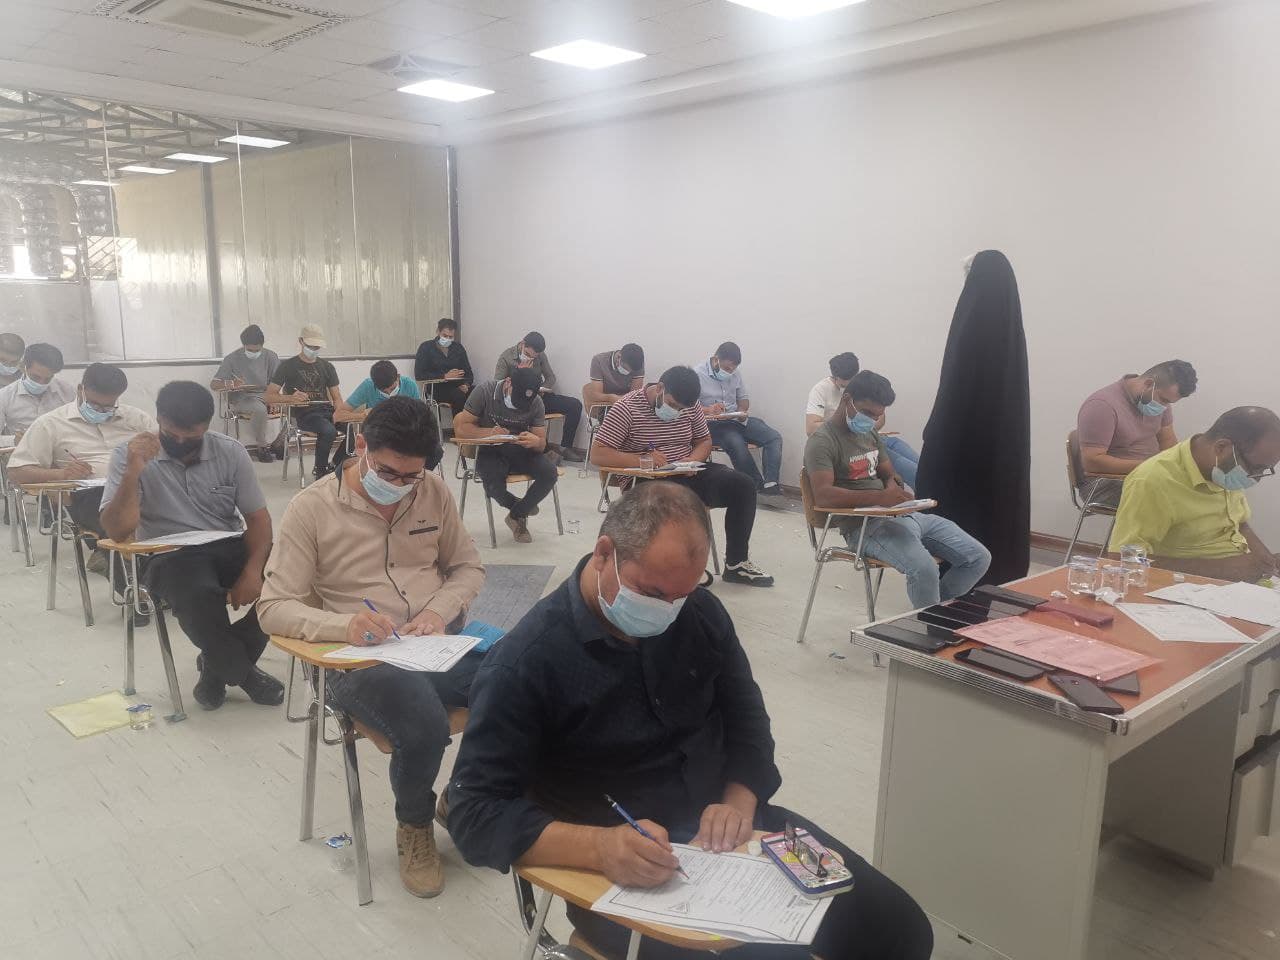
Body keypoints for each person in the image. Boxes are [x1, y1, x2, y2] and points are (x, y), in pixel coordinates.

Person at [444, 482, 933, 960]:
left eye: (682, 594)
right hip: (622, 868)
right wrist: (600, 848)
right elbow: (473, 814)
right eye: (653, 592)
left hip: (732, 833)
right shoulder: (525, 663)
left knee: (900, 933)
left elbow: (747, 719)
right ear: (604, 553)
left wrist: (739, 800)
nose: (667, 611)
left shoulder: (696, 612)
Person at [257, 397, 485, 899]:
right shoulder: (312, 508)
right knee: (423, 721)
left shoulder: (433, 492)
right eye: (388, 472)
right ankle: (415, 825)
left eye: (411, 476)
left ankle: (462, 796)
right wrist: (345, 625)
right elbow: (272, 607)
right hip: (357, 660)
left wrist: (437, 611)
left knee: (519, 684)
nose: (400, 485)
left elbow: (467, 568)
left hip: (430, 642)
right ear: (360, 445)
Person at [99, 381, 280, 710]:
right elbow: (118, 530)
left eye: (191, 436)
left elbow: (258, 519)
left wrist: (253, 572)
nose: (180, 442)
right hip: (169, 554)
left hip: (227, 542)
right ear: (158, 418)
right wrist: (133, 472)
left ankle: (216, 665)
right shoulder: (129, 455)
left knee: (292, 578)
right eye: (171, 433)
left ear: (207, 425)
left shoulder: (230, 451)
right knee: (198, 592)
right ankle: (244, 674)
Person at [805, 371, 990, 609]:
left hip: (902, 516)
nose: (872, 420)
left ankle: (932, 613)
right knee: (924, 569)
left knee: (978, 557)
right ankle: (930, 620)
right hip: (864, 527)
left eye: (878, 415)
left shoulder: (868, 433)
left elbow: (889, 473)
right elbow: (823, 495)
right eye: (867, 413)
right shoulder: (822, 441)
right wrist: (881, 498)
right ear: (847, 399)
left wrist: (895, 489)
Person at [592, 366, 774, 587]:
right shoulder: (626, 407)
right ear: (660, 388)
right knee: (675, 502)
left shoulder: (691, 405)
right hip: (646, 478)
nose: (676, 411)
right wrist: (641, 459)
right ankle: (676, 567)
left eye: (682, 408)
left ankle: (737, 564)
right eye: (673, 405)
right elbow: (598, 453)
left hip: (685, 470)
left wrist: (691, 460)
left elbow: (704, 441)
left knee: (742, 485)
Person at [915, 249, 1030, 585]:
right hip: (998, 448)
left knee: (953, 512)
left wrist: (935, 433)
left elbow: (954, 386)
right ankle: (985, 581)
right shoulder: (1011, 333)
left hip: (960, 445)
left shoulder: (971, 319)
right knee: (990, 511)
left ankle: (952, 586)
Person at [1109, 406, 1279, 581]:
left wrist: (1268, 563)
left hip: (1238, 579)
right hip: (1188, 586)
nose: (1257, 478)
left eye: (1266, 470)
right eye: (1255, 468)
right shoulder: (1153, 480)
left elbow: (1240, 525)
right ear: (1221, 448)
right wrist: (1221, 569)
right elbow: (1123, 561)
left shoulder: (1224, 471)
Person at [6, 362, 155, 543]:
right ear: (80, 390)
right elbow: (16, 472)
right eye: (94, 405)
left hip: (142, 486)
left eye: (108, 407)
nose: (101, 411)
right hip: (91, 493)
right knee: (119, 522)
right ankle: (119, 557)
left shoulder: (137, 419)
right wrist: (62, 474)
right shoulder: (50, 423)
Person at [453, 368, 556, 544]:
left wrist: (536, 441)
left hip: (520, 449)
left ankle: (516, 515)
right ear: (508, 382)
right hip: (490, 449)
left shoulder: (536, 402)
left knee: (549, 473)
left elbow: (541, 442)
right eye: (516, 400)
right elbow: (462, 428)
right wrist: (489, 433)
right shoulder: (485, 391)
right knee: (493, 486)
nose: (518, 406)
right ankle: (519, 507)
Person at [1076, 360, 1198, 507]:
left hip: (1144, 474)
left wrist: (1181, 466)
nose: (1165, 406)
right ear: (1148, 384)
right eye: (1164, 400)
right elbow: (1092, 462)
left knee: (1201, 487)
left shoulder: (1157, 402)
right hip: (1103, 483)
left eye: (1169, 403)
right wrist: (1150, 467)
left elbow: (1168, 441)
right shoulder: (1101, 406)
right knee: (1179, 498)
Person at [805, 351, 921, 489]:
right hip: (851, 444)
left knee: (923, 466)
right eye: (843, 384)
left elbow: (879, 420)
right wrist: (848, 426)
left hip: (873, 438)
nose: (848, 385)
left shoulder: (863, 387)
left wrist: (864, 425)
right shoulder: (821, 390)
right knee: (914, 473)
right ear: (835, 376)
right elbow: (811, 427)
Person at [695, 342, 784, 498]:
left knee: (773, 437)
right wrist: (709, 410)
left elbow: (743, 400)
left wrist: (742, 411)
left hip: (735, 419)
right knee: (735, 441)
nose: (730, 372)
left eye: (733, 369)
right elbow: (688, 407)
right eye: (727, 368)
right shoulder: (697, 374)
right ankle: (754, 487)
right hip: (712, 424)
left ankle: (771, 485)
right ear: (716, 360)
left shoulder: (735, 374)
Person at [263, 324, 348, 479]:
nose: (313, 349)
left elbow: (337, 398)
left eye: (317, 347)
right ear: (301, 341)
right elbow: (268, 396)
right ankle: (320, 472)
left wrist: (340, 413)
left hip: (326, 411)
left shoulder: (327, 367)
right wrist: (290, 398)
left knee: (356, 429)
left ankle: (334, 464)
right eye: (310, 346)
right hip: (304, 414)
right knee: (329, 431)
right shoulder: (287, 366)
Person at [495, 331, 585, 462]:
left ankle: (566, 447)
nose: (530, 358)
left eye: (534, 357)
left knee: (575, 405)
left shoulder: (540, 355)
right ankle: (545, 451)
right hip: (517, 400)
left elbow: (551, 377)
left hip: (538, 397)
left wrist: (541, 387)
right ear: (523, 344)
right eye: (528, 355)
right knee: (529, 415)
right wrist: (519, 372)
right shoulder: (506, 357)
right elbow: (498, 383)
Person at [211, 324, 282, 463]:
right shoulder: (232, 359)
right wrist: (232, 384)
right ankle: (262, 446)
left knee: (294, 406)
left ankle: (279, 442)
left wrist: (274, 399)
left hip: (266, 394)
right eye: (249, 350)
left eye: (257, 350)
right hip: (243, 398)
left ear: (262, 345)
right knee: (259, 409)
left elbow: (277, 382)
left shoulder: (271, 356)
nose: (253, 353)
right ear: (243, 345)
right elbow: (214, 384)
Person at [0, 343, 75, 440]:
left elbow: (77, 428)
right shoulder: (5, 396)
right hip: (22, 447)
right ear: (24, 367)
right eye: (35, 377)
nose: (41, 383)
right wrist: (13, 440)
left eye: (47, 379)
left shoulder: (67, 391)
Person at [414, 318, 473, 419]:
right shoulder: (426, 347)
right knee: (458, 395)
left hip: (458, 385)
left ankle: (475, 425)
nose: (448, 339)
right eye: (445, 336)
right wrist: (444, 376)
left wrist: (466, 385)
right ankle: (459, 427)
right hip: (437, 388)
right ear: (438, 331)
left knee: (479, 392)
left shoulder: (458, 348)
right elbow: (419, 375)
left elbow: (469, 373)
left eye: (451, 337)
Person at [583, 343, 645, 409]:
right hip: (605, 404)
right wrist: (610, 397)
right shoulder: (599, 361)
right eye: (625, 368)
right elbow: (596, 395)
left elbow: (634, 395)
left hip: (628, 405)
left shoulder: (637, 364)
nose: (628, 372)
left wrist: (623, 400)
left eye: (631, 372)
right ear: (619, 357)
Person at [346, 360, 423, 410]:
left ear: (398, 377)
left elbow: (420, 413)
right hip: (377, 428)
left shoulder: (409, 385)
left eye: (392, 389)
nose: (389, 394)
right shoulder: (368, 385)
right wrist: (363, 416)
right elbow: (340, 414)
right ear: (374, 385)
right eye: (384, 392)